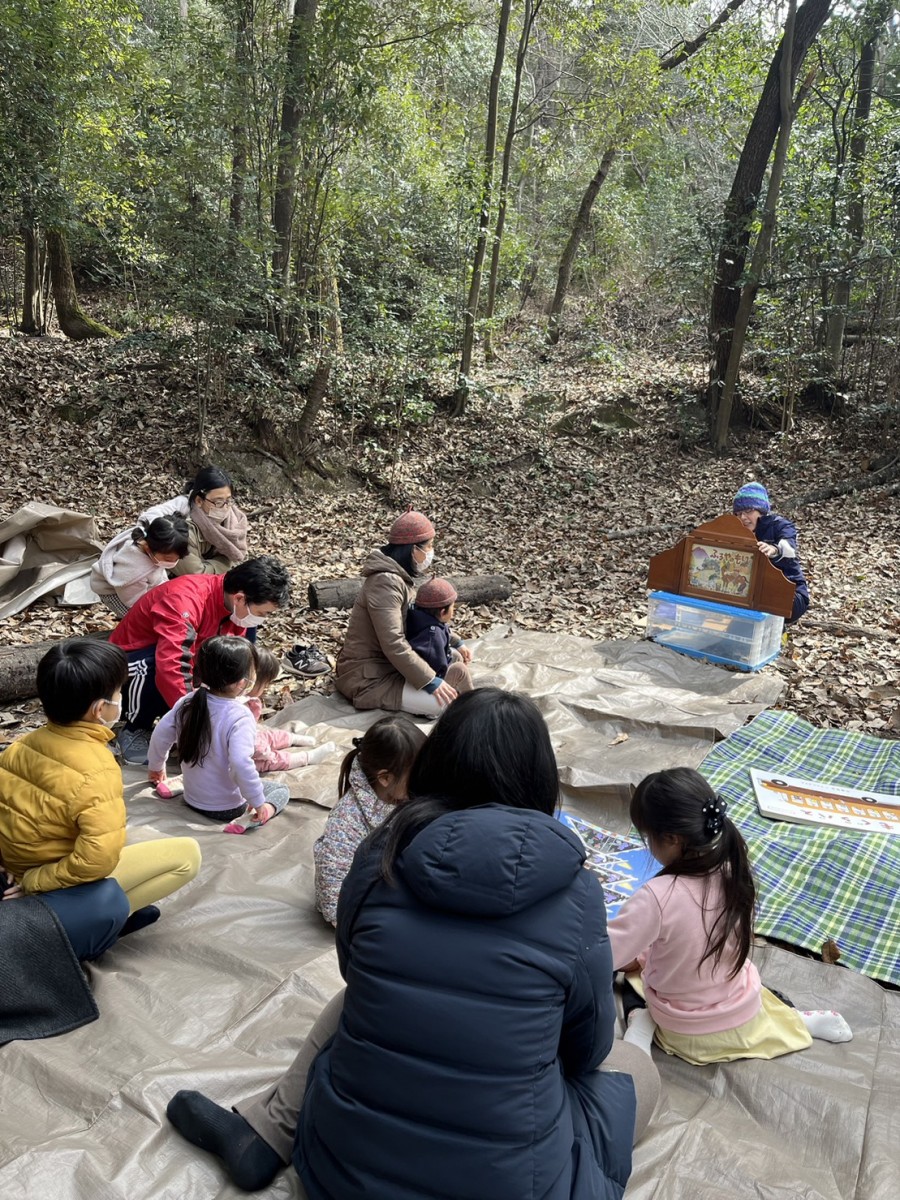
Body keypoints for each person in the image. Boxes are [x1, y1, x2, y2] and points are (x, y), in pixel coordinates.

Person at [167, 688, 660, 1197]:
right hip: (513, 1183)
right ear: (539, 776)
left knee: (358, 1000)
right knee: (633, 1068)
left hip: (343, 1172)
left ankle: (267, 1134)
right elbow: (588, 1048)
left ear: (436, 761)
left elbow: (354, 970)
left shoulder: (385, 848)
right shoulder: (577, 890)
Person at [607, 767, 852, 1066]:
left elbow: (607, 954)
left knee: (631, 981)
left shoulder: (655, 896)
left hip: (687, 1029)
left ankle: (641, 1026)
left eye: (648, 837)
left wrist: (635, 955)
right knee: (746, 980)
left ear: (671, 839)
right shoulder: (733, 868)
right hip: (741, 1009)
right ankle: (795, 1019)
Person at [0, 641, 201, 961]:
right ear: (100, 710)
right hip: (47, 885)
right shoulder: (97, 768)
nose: (121, 700)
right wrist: (34, 882)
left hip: (19, 867)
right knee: (187, 855)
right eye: (120, 693)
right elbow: (96, 860)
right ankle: (105, 922)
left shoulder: (20, 746)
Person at [109, 556, 291, 765]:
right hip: (129, 663)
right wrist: (196, 718)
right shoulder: (185, 599)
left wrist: (235, 711)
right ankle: (134, 729)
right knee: (153, 665)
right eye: (262, 613)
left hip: (190, 659)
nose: (261, 619)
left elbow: (237, 660)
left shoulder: (239, 611)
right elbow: (172, 663)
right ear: (239, 598)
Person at [334, 510, 473, 717]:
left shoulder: (397, 578)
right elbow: (393, 642)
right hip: (368, 676)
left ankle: (454, 690)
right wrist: (429, 680)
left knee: (451, 655)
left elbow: (418, 620)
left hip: (389, 665)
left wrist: (455, 641)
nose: (431, 552)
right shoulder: (385, 583)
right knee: (440, 705)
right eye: (428, 546)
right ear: (412, 549)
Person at [147, 638, 292, 834]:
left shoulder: (189, 700)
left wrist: (156, 767)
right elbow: (241, 763)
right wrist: (257, 802)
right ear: (243, 682)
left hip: (191, 797)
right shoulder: (240, 715)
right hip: (227, 807)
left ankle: (174, 784)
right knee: (280, 791)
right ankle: (251, 819)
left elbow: (161, 734)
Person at [313, 714, 425, 925]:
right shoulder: (346, 822)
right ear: (385, 778)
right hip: (371, 908)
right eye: (416, 775)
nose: (424, 780)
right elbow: (334, 901)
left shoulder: (408, 795)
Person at [139, 466, 249, 578]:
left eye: (228, 500)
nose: (225, 507)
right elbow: (197, 574)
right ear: (199, 501)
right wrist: (225, 562)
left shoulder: (234, 521)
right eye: (218, 502)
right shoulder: (182, 531)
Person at [244, 647, 335, 774]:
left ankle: (292, 738)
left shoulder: (243, 698)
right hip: (242, 754)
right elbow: (253, 745)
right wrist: (267, 754)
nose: (266, 689)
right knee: (270, 761)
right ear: (250, 680)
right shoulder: (240, 710)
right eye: (265, 684)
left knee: (269, 735)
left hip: (250, 740)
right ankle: (306, 758)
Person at [732, 482, 809, 623]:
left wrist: (775, 550)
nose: (743, 517)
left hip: (792, 594)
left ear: (761, 511)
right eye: (739, 513)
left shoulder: (780, 525)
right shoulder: (736, 532)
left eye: (748, 511)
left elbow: (788, 545)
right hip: (749, 594)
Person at [90, 515, 190, 616]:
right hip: (113, 590)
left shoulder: (150, 539)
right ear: (147, 547)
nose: (172, 563)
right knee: (135, 618)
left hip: (140, 582)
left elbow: (158, 575)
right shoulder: (132, 572)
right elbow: (134, 603)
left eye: (177, 559)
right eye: (168, 559)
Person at [405, 576, 474, 694]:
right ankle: (472, 704)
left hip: (414, 676)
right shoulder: (432, 636)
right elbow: (432, 673)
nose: (454, 610)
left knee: (456, 654)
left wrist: (458, 643)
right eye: (453, 607)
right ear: (443, 612)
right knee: (460, 670)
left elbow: (444, 629)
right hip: (423, 687)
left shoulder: (417, 618)